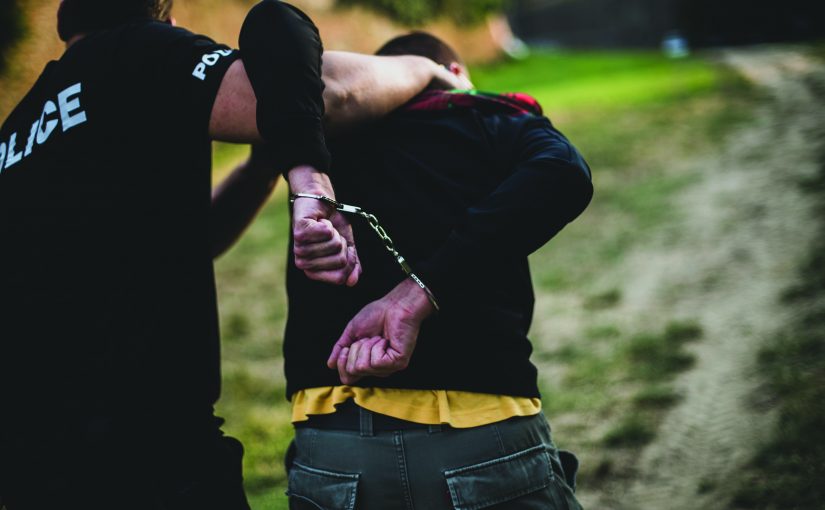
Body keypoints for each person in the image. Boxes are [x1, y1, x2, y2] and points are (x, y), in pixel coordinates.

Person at [0, 1, 462, 507]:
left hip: (34, 460)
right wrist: (425, 68)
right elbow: (318, 95)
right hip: (148, 454)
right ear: (167, 19)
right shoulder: (139, 52)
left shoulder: (21, 128)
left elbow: (180, 243)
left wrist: (260, 170)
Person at [281, 33, 594, 509]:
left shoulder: (314, 143)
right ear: (456, 74)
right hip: (483, 429)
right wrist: (420, 291)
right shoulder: (492, 115)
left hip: (334, 444)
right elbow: (564, 171)